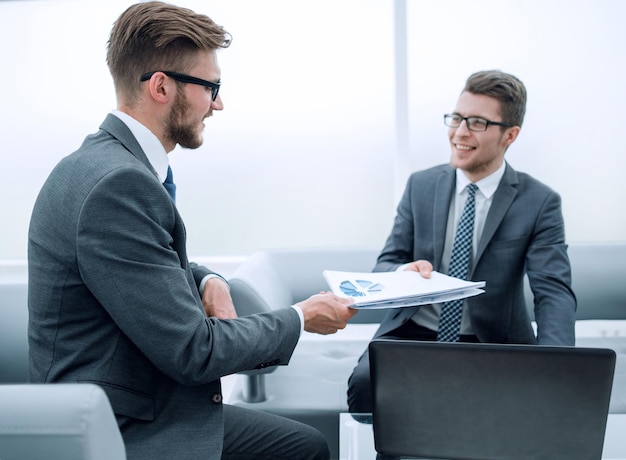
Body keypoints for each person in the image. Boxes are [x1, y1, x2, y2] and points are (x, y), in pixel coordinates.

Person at [27, 2, 357, 460]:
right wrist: (302, 317)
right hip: (127, 425)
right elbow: (193, 352)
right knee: (305, 450)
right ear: (161, 86)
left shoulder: (101, 163)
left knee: (304, 444)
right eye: (211, 87)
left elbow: (143, 258)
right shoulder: (119, 185)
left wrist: (207, 278)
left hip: (134, 401)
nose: (218, 102)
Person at [347, 69, 576, 416]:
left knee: (505, 416)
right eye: (456, 118)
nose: (459, 132)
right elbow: (387, 261)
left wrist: (554, 364)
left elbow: (553, 291)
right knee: (365, 384)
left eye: (477, 123)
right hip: (414, 331)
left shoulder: (539, 201)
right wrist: (403, 272)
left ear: (510, 135)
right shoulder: (420, 186)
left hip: (493, 340)